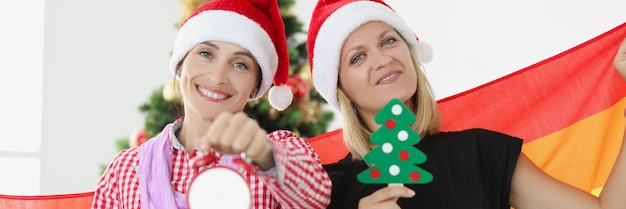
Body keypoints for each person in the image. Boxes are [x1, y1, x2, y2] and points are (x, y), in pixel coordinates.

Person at [305, 0, 626, 208]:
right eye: (357, 57)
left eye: (389, 40)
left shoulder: (481, 152)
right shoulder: (322, 189)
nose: (383, 59)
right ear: (341, 89)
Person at [91, 0, 332, 208]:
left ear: (255, 87)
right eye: (206, 54)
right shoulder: (124, 170)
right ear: (180, 64)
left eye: (240, 65)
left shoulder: (279, 150)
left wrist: (265, 155)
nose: (218, 77)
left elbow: (317, 199)